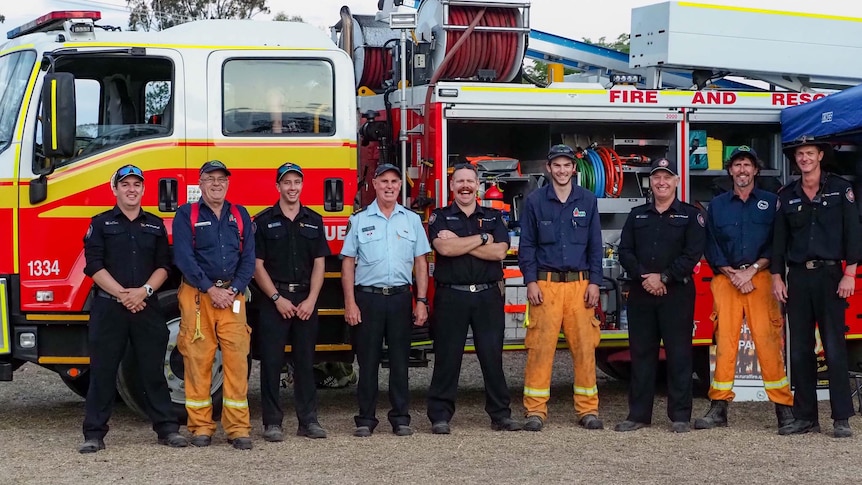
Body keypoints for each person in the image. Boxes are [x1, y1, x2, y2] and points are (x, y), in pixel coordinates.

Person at [79, 165, 188, 453]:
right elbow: (93, 265)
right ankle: (94, 434)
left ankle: (167, 429)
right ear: (115, 189)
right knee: (102, 373)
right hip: (109, 308)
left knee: (153, 371)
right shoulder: (100, 224)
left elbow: (165, 266)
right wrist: (122, 294)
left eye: (136, 185)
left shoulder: (154, 225)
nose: (131, 189)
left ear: (143, 189)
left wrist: (144, 292)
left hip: (146, 307)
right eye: (125, 184)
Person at [696, 146, 794, 430]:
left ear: (756, 170)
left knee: (768, 342)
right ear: (730, 171)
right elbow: (710, 242)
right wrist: (732, 272)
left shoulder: (770, 202)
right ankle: (718, 408)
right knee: (724, 343)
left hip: (760, 278)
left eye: (747, 165)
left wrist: (752, 270)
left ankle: (783, 408)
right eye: (737, 165)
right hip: (726, 280)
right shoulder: (717, 205)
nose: (742, 170)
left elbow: (777, 242)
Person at [771, 137, 861, 438]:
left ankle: (841, 418)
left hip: (832, 276)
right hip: (798, 277)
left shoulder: (840, 189)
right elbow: (778, 242)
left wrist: (850, 273)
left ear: (820, 156)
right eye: (800, 154)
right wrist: (776, 276)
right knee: (799, 350)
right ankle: (805, 417)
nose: (805, 158)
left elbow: (853, 233)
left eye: (810, 153)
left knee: (834, 347)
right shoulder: (786, 195)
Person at [426, 163, 522, 434]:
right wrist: (481, 239)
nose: (465, 186)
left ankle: (500, 415)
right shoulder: (440, 216)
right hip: (451, 297)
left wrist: (461, 242)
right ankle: (440, 415)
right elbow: (443, 248)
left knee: (492, 357)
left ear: (477, 185)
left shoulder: (494, 216)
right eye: (459, 181)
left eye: (470, 181)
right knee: (447, 357)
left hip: (487, 295)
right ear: (452, 186)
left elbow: (500, 253)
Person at [614, 158, 705, 433]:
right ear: (650, 182)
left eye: (667, 177)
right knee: (641, 354)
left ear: (677, 181)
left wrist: (664, 277)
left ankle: (680, 416)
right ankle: (638, 415)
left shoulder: (691, 215)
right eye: (656, 178)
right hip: (642, 292)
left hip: (676, 292)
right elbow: (625, 251)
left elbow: (692, 254)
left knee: (679, 355)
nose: (661, 182)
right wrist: (645, 276)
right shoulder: (637, 214)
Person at [341, 163, 431, 437]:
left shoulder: (411, 219)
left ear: (400, 186)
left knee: (400, 362)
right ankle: (366, 419)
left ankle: (400, 418)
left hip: (400, 299)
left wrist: (421, 300)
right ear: (375, 185)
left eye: (394, 181)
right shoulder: (359, 219)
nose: (389, 186)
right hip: (368, 299)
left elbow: (421, 262)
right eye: (384, 181)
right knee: (367, 362)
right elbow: (348, 264)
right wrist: (350, 303)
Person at [518, 144, 604, 432]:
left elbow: (595, 245)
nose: (562, 170)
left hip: (580, 287)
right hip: (546, 285)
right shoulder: (535, 201)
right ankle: (535, 410)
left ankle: (588, 409)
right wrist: (530, 281)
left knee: (585, 348)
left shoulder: (588, 200)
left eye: (567, 165)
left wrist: (595, 282)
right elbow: (527, 245)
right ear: (549, 168)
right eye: (557, 165)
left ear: (574, 169)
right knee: (540, 349)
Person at [173, 160, 255, 450]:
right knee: (198, 362)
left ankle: (238, 428)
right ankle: (200, 427)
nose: (216, 184)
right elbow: (183, 257)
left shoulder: (240, 215)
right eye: (210, 179)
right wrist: (210, 288)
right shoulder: (186, 214)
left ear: (228, 183)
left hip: (233, 298)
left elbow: (248, 259)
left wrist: (232, 289)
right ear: (200, 183)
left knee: (237, 363)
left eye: (221, 179)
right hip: (198, 297)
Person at [252, 162, 330, 441]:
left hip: (306, 300)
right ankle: (272, 423)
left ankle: (308, 421)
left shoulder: (314, 220)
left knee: (305, 362)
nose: (292, 187)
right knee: (271, 363)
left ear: (302, 185)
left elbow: (320, 263)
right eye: (287, 182)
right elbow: (257, 265)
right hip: (275, 301)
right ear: (278, 187)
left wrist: (311, 300)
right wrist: (276, 298)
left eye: (297, 182)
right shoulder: (262, 221)